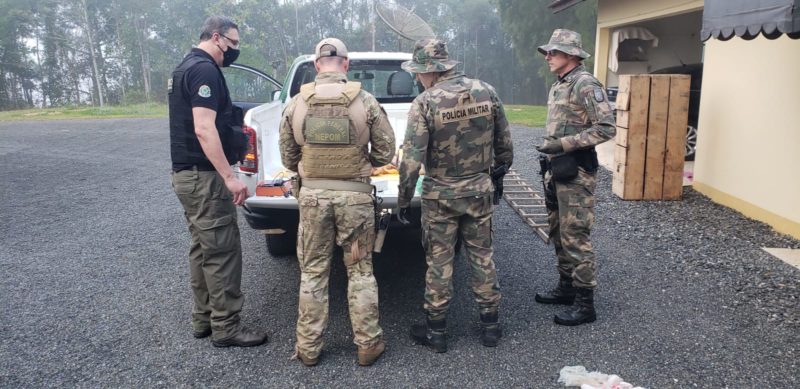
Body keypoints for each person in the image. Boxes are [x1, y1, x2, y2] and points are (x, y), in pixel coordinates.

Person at [279, 38, 395, 367]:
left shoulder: (296, 104)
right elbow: (386, 151)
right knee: (359, 272)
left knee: (313, 273)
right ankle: (368, 345)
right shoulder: (366, 101)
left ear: (317, 65)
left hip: (313, 198)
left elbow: (288, 157)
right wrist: (361, 162)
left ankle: (309, 349)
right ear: (346, 64)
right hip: (355, 198)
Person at [397, 38, 513, 352]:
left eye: (418, 73)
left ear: (429, 71)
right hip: (478, 191)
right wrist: (497, 174)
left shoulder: (425, 103)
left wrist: (405, 199)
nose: (418, 79)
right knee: (482, 256)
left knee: (439, 261)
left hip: (440, 197)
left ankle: (436, 332)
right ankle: (491, 326)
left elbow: (411, 159)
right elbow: (505, 144)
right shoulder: (486, 91)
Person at [168, 16, 268, 347]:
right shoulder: (204, 70)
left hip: (188, 176)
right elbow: (203, 128)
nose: (235, 50)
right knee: (222, 251)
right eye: (233, 43)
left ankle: (204, 319)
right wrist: (229, 176)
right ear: (216, 37)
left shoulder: (185, 67)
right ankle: (226, 328)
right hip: (204, 178)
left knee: (202, 249)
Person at [533, 29, 616, 326]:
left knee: (575, 235)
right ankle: (567, 288)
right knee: (557, 231)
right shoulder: (560, 84)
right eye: (548, 52)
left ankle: (585, 304)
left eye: (553, 53)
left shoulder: (585, 84)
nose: (548, 57)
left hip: (576, 171)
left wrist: (564, 144)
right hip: (557, 169)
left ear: (570, 54)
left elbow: (607, 128)